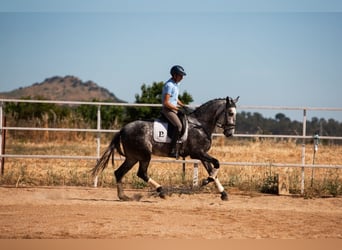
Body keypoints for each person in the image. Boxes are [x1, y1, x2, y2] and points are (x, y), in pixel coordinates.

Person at [162, 65, 186, 158]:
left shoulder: (176, 84)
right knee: (179, 126)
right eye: (180, 75)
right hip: (168, 110)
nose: (182, 78)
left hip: (174, 109)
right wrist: (177, 109)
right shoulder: (169, 85)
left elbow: (175, 98)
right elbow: (166, 102)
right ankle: (171, 150)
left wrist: (183, 105)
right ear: (175, 75)